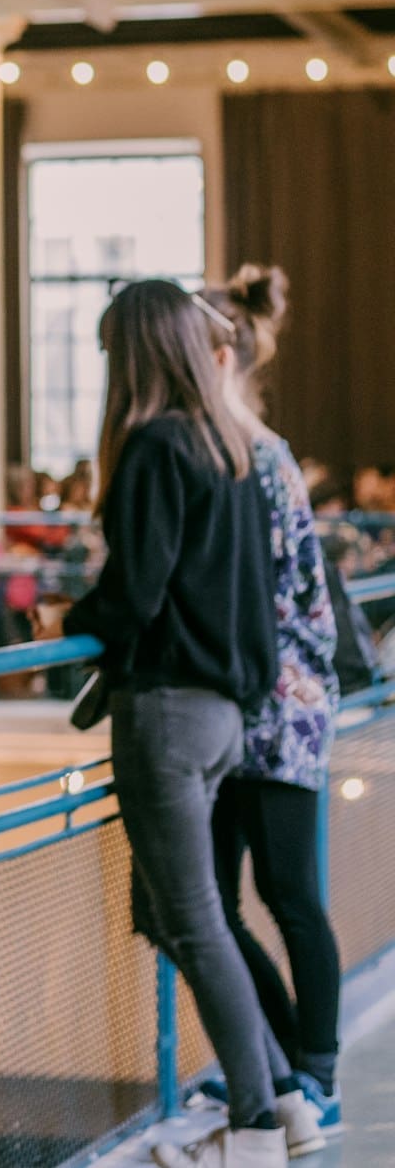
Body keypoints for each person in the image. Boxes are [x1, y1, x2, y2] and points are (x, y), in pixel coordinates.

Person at [56, 280, 314, 1168]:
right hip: (226, 714)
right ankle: (282, 1097)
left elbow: (136, 590)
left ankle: (252, 1130)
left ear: (134, 355)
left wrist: (70, 618)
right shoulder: (227, 445)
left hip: (167, 713)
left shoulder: (158, 446)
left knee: (194, 921)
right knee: (182, 914)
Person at [200, 267, 345, 1132]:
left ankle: (311, 1067)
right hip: (245, 705)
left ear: (218, 355)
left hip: (278, 707)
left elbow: (276, 596)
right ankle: (283, 1062)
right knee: (217, 905)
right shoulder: (242, 450)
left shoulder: (255, 455)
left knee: (288, 892)